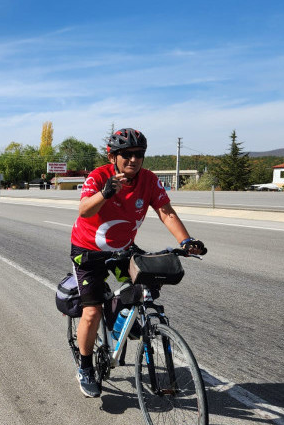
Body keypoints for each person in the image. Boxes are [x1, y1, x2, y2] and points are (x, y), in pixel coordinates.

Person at [70, 128, 206, 397]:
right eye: (127, 155)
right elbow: (84, 209)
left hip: (122, 249)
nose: (133, 160)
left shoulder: (149, 180)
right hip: (88, 252)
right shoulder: (99, 176)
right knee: (92, 312)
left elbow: (166, 212)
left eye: (139, 155)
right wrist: (106, 193)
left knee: (146, 290)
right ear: (113, 157)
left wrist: (186, 240)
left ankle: (120, 318)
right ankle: (85, 367)